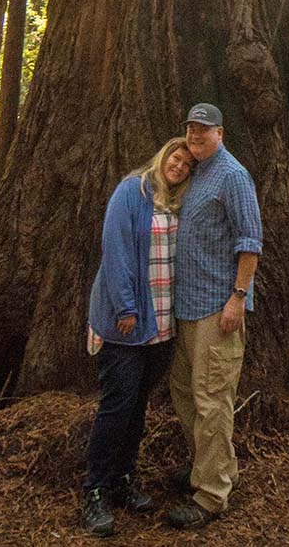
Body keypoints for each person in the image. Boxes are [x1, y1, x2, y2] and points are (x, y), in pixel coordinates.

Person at [80, 137, 195, 538]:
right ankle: (94, 490)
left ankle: (124, 479)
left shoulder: (177, 203)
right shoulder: (134, 190)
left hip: (162, 324)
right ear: (164, 156)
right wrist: (126, 306)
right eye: (175, 158)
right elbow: (116, 251)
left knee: (138, 407)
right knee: (116, 406)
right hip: (127, 323)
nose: (179, 166)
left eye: (186, 164)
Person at [166, 103, 263, 530]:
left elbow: (250, 239)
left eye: (204, 129)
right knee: (184, 390)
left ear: (220, 133)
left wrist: (238, 297)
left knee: (212, 400)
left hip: (217, 308)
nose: (195, 135)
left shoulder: (233, 175)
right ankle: (210, 469)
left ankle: (211, 496)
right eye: (191, 128)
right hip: (187, 306)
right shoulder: (199, 172)